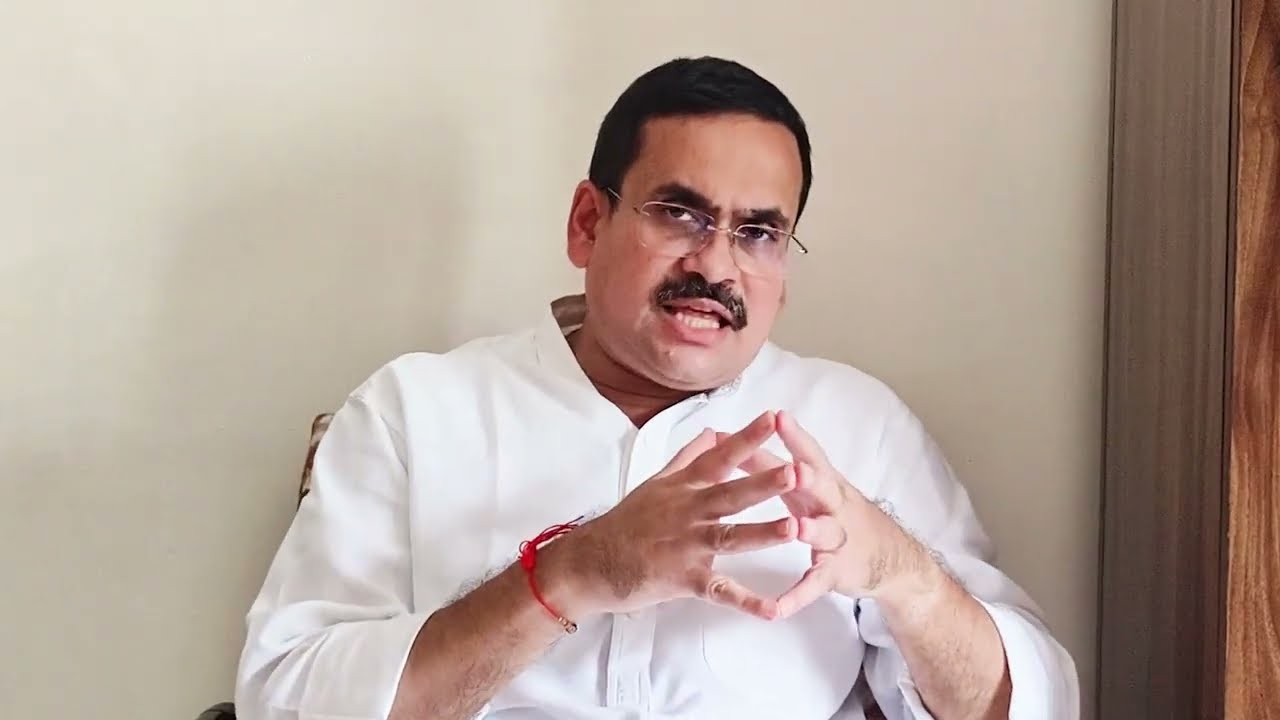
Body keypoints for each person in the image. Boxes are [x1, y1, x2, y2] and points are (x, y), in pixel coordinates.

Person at [234, 56, 1079, 720]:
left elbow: (1029, 706)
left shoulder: (858, 425)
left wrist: (903, 574)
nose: (716, 264)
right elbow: (284, 699)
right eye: (680, 214)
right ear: (588, 223)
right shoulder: (414, 412)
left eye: (758, 232)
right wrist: (573, 573)